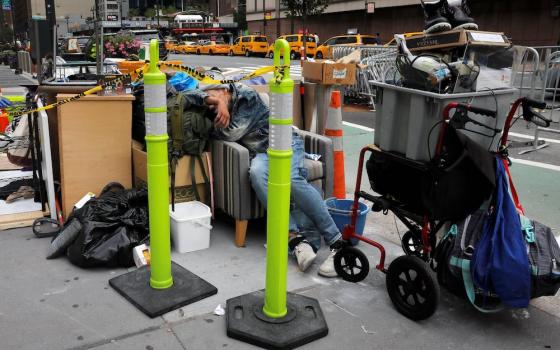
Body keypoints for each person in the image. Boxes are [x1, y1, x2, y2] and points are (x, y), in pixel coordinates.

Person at [180, 83, 345, 277]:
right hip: (261, 153)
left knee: (290, 179)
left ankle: (337, 242)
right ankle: (294, 238)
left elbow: (231, 132)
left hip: (285, 143)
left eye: (215, 98)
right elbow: (186, 96)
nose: (213, 109)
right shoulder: (217, 102)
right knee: (256, 173)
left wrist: (214, 115)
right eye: (209, 104)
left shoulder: (246, 95)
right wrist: (215, 100)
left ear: (225, 90)